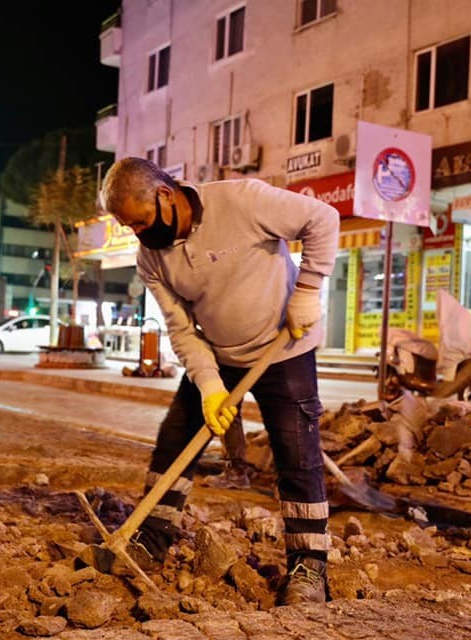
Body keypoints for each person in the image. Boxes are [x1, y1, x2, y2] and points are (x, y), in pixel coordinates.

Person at [99, 157, 339, 605]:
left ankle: (310, 567)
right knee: (175, 439)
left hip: (283, 348)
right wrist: (208, 383)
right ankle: (151, 537)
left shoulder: (242, 200)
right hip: (218, 354)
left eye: (142, 221)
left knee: (296, 454)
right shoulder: (151, 257)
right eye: (130, 227)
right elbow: (181, 329)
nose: (139, 234)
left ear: (165, 195)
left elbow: (322, 218)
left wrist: (307, 290)